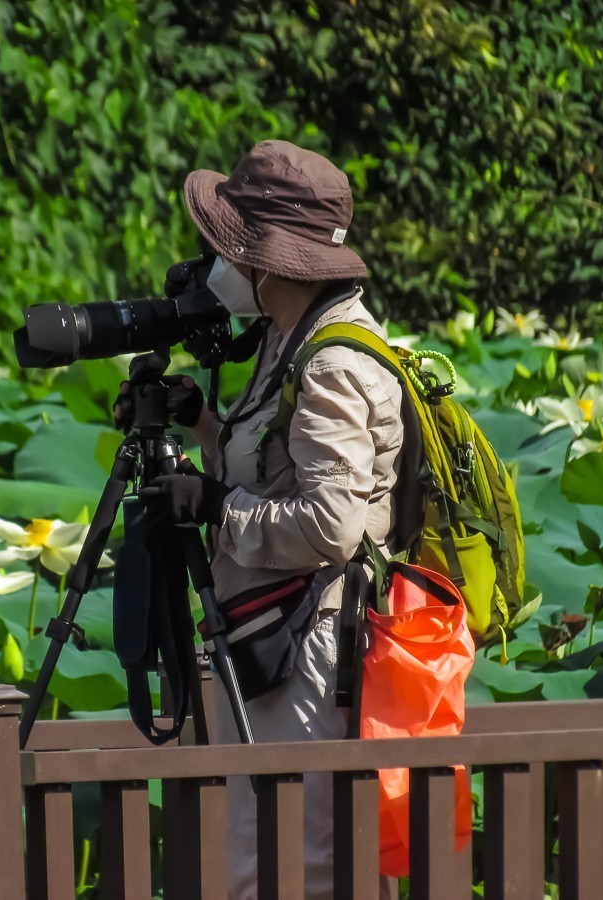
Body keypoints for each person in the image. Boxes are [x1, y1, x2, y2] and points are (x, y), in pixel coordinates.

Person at [140, 140, 404, 899]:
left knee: (296, 866)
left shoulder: (332, 363)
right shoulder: (292, 340)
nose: (219, 262)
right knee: (263, 859)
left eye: (231, 245)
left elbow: (332, 527)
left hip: (307, 649)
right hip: (275, 638)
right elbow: (279, 474)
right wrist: (203, 425)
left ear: (270, 259)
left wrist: (214, 508)